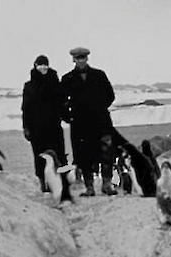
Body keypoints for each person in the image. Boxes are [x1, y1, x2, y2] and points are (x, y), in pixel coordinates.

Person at [59, 47, 117, 196]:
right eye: (78, 58)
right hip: (81, 124)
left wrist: (99, 107)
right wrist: (68, 116)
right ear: (73, 60)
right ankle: (89, 187)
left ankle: (107, 184)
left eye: (83, 57)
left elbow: (110, 95)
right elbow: (60, 102)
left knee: (107, 152)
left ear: (87, 58)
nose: (81, 61)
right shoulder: (67, 79)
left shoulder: (99, 75)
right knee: (84, 155)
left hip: (101, 121)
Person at [21, 55, 67, 192]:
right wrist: (26, 127)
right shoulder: (29, 86)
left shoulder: (55, 83)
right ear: (35, 66)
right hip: (36, 128)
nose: (43, 67)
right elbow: (26, 108)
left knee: (58, 155)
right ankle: (43, 184)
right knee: (39, 156)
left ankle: (59, 182)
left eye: (45, 64)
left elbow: (62, 103)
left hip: (54, 126)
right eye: (40, 65)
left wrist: (66, 116)